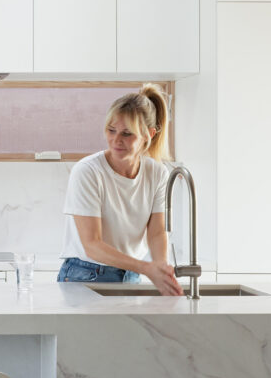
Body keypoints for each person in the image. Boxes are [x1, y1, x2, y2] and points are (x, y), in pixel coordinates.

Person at [59, 89, 182, 294]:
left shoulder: (157, 173)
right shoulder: (88, 171)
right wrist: (146, 268)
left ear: (148, 135)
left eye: (127, 133)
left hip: (130, 275)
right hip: (85, 274)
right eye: (111, 130)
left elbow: (157, 232)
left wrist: (161, 270)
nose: (116, 140)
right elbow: (92, 244)